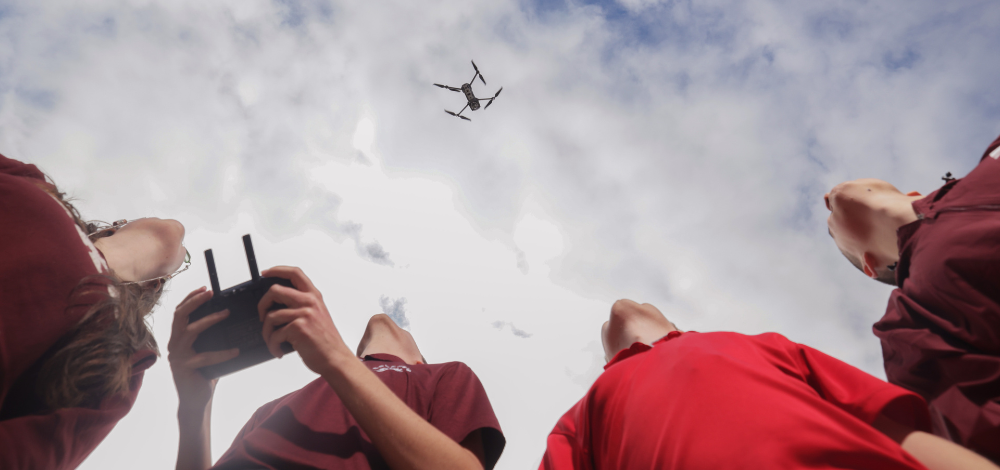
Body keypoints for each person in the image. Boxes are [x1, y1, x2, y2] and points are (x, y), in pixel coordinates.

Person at [540, 299, 999, 470]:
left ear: (674, 322)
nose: (621, 303)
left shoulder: (761, 344)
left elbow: (895, 429)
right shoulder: (578, 419)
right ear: (606, 363)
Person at [168, 266, 506, 470]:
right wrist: (194, 409)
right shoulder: (275, 408)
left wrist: (337, 357)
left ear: (420, 362)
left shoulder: (444, 376)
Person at [0, 153, 189, 469]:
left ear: (154, 286)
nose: (177, 235)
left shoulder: (128, 353)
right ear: (114, 226)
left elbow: (31, 456)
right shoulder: (37, 186)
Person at [824, 134, 1000, 460]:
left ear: (915, 194)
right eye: (831, 229)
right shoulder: (910, 325)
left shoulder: (991, 158)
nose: (826, 199)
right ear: (870, 266)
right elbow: (977, 428)